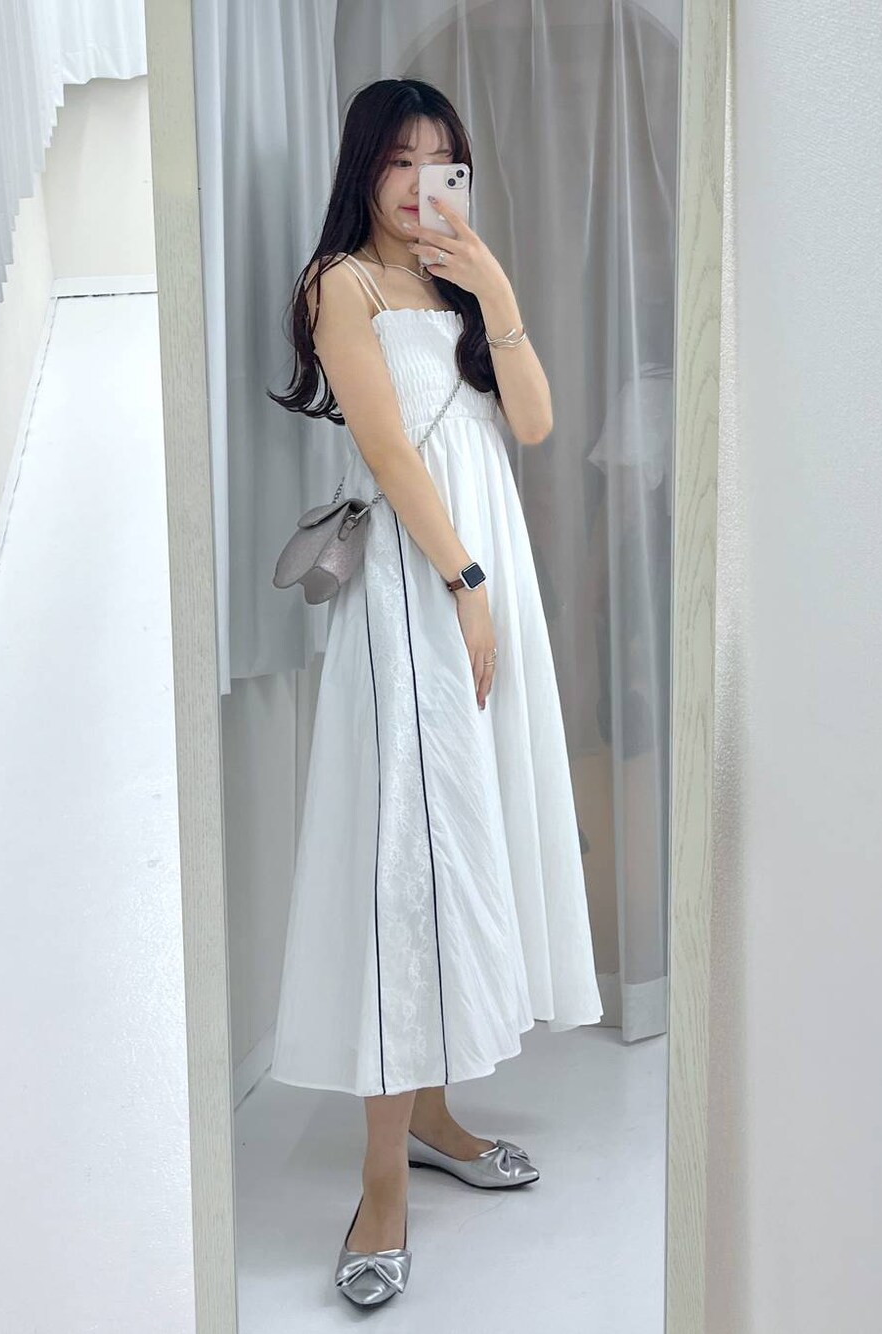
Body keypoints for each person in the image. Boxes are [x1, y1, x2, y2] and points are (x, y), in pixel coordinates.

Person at [267, 77, 603, 1307]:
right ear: (364, 166)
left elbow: (532, 421)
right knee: (401, 865)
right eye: (400, 160)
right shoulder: (342, 284)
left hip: (482, 577)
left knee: (459, 840)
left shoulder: (455, 284)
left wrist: (495, 288)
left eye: (442, 161)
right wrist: (461, 581)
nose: (421, 184)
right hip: (420, 591)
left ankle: (432, 1115)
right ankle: (379, 1182)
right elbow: (386, 447)